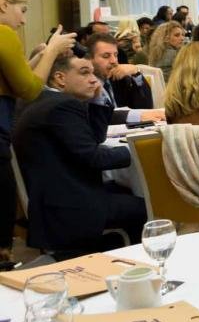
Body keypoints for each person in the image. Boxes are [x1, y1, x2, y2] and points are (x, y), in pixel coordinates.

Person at [13, 53, 144, 255]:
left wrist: (98, 100)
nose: (94, 80)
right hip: (70, 207)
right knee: (147, 205)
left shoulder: (38, 100)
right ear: (60, 78)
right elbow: (94, 157)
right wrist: (137, 149)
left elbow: (94, 139)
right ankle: (132, 260)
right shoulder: (62, 105)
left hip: (51, 201)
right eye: (84, 73)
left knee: (123, 190)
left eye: (93, 73)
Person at [0, 0, 79, 260]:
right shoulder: (4, 34)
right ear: (3, 5)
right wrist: (53, 51)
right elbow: (30, 90)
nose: (23, 19)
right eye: (22, 10)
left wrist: (39, 58)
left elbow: (12, 84)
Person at [87, 34, 164, 125]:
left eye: (115, 55)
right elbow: (101, 116)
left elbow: (146, 105)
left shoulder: (118, 77)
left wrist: (136, 73)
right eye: (106, 56)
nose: (114, 61)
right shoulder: (85, 84)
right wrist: (138, 116)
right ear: (89, 59)